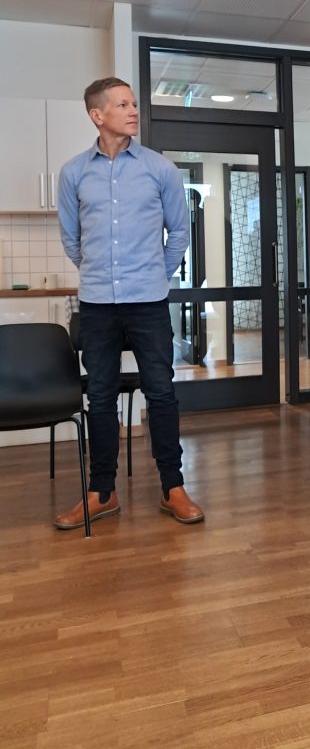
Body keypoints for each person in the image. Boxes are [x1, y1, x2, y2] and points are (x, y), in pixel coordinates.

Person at [54, 77, 205, 529]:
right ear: (97, 115)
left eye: (134, 103)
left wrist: (156, 273)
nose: (133, 111)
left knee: (161, 392)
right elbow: (72, 239)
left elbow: (179, 232)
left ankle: (172, 487)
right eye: (122, 105)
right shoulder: (74, 173)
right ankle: (102, 492)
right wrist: (99, 272)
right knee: (100, 396)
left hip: (148, 303)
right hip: (97, 304)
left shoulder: (160, 169)